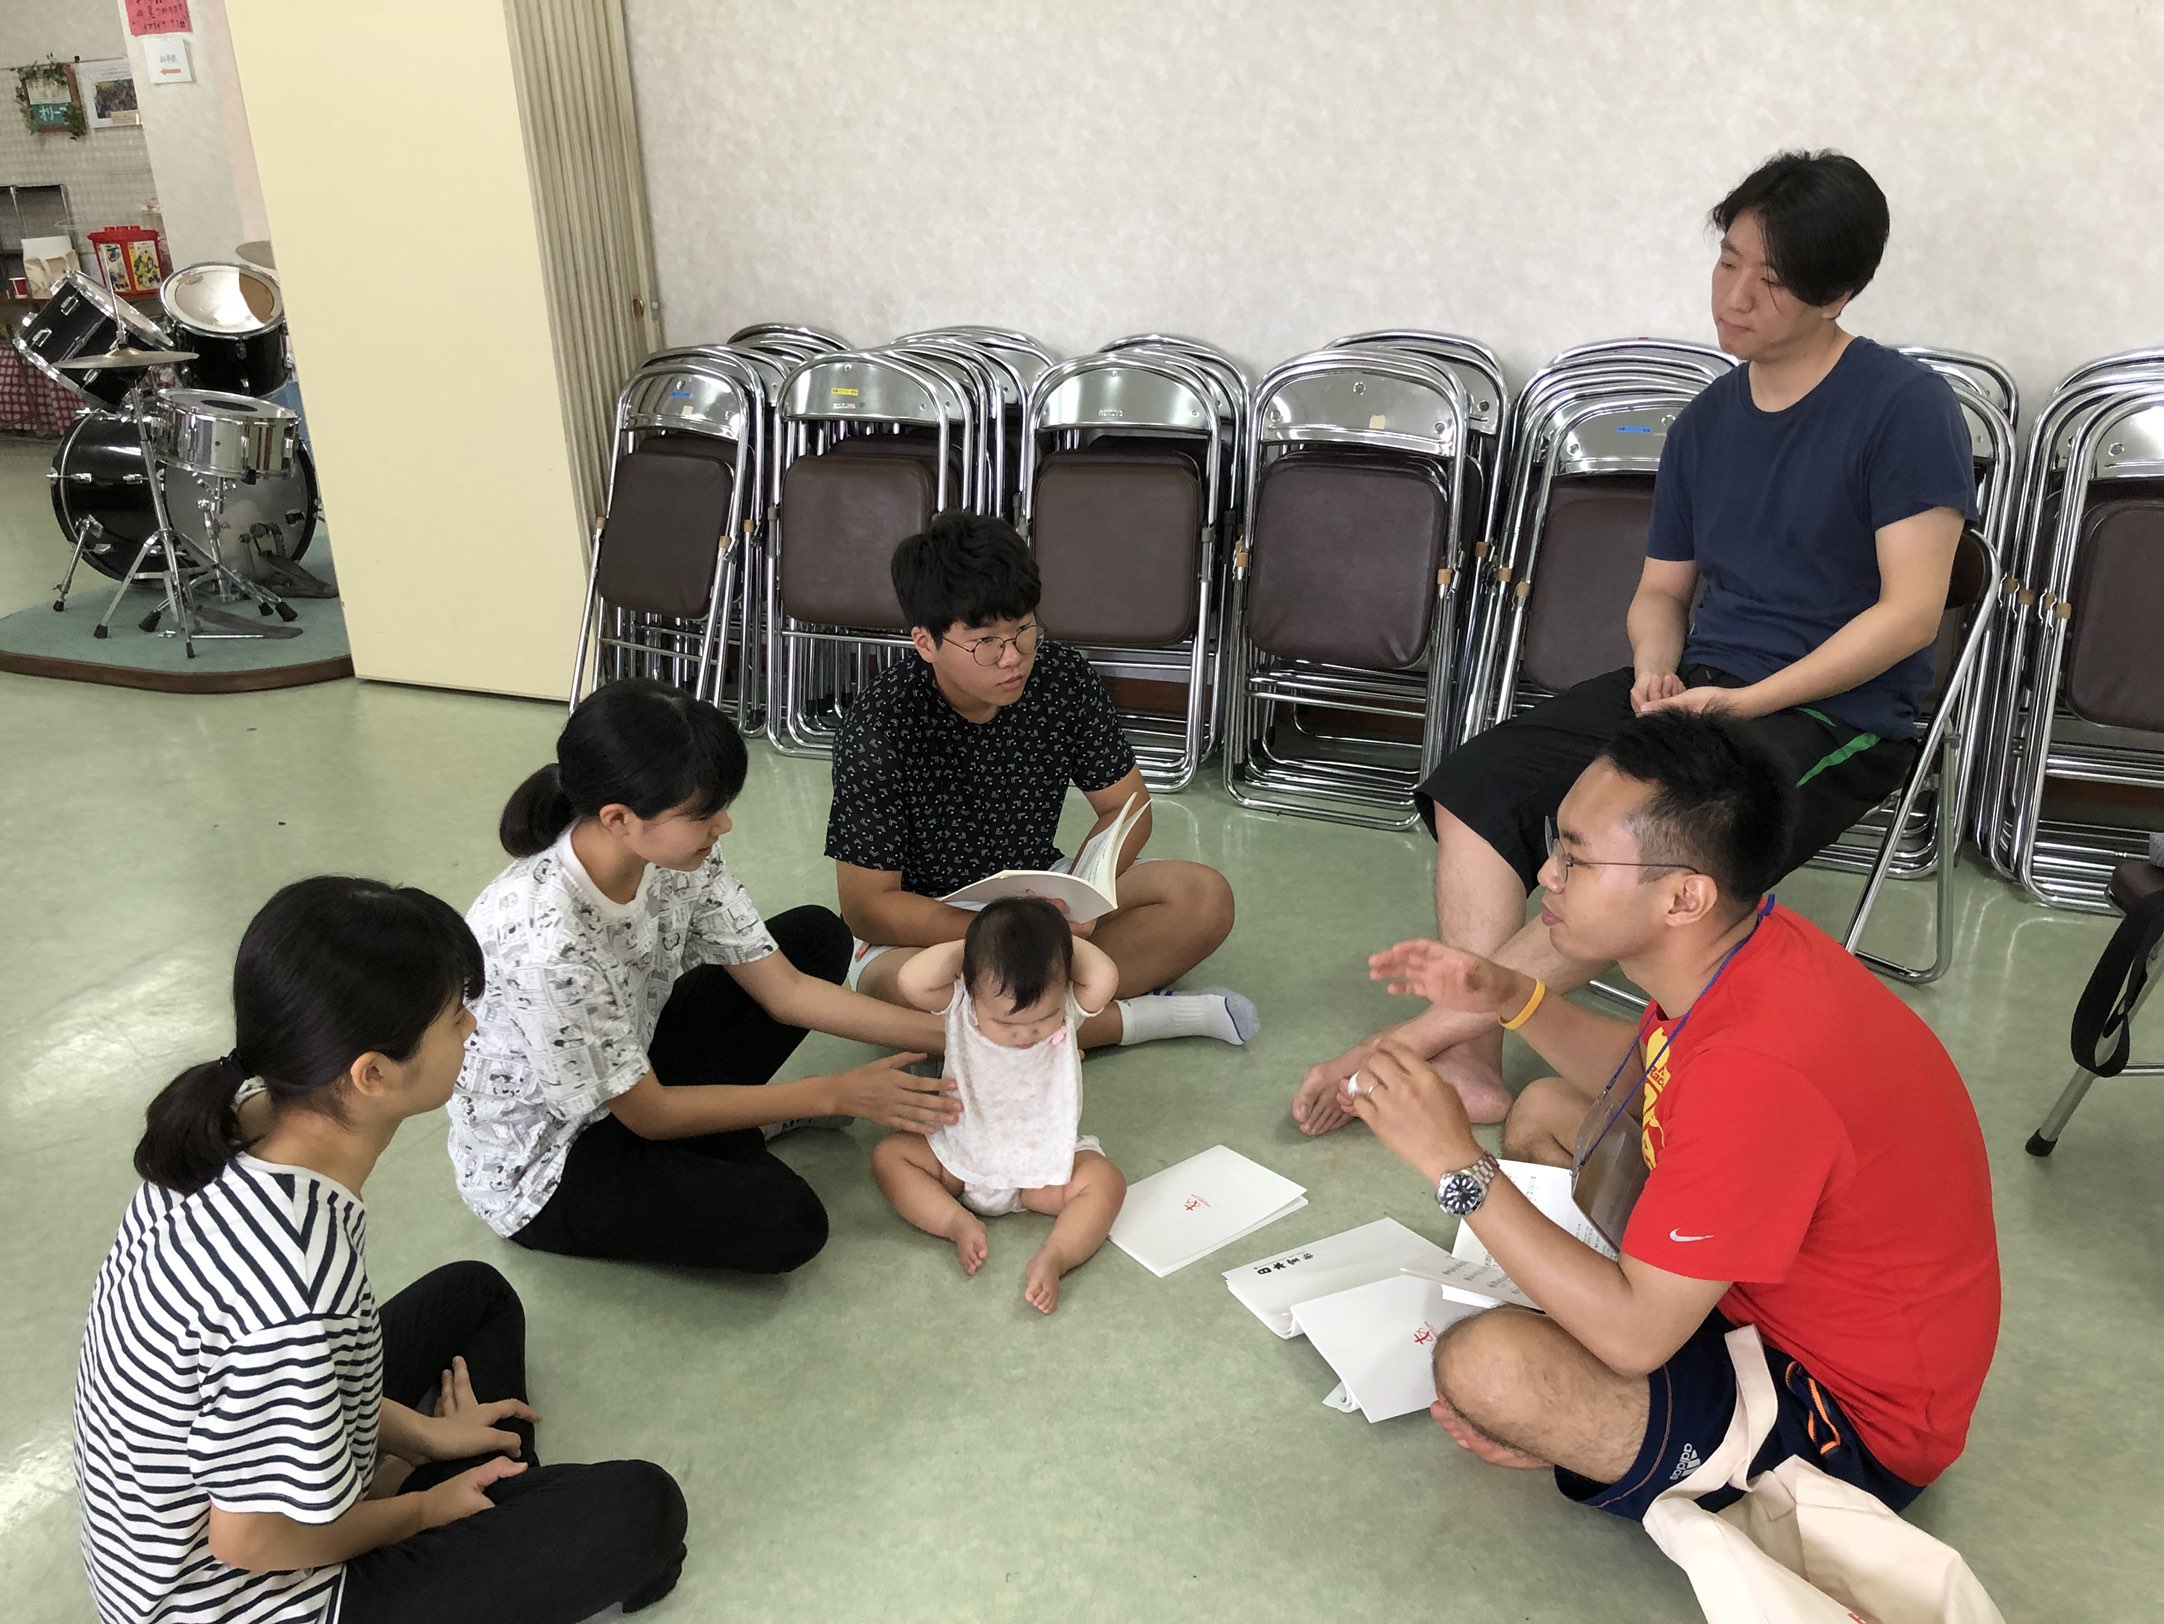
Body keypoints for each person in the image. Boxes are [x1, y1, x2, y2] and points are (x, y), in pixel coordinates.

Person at [1294, 148, 1976, 1130]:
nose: (1735, 296)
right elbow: (1661, 591)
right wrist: (1658, 666)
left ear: (1839, 293)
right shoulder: (1707, 421)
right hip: (1696, 686)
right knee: (1476, 784)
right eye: (1728, 261)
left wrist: (1744, 703)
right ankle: (1472, 1057)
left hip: (1837, 715)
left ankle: (1410, 1041)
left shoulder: (1903, 409)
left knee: (1635, 845)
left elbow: (1909, 615)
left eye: (1772, 280)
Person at [1342, 712, 1999, 1523]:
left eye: (1576, 858)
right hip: (1761, 1295)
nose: (1546, 875)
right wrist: (1511, 997)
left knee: (1491, 1367)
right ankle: (1623, 1379)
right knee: (1547, 1109)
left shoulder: (1758, 1072)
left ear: (1685, 896)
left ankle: (1645, 1425)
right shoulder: (1750, 944)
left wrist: (1455, 1166)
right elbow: (1654, 1073)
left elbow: (1634, 1339)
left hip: (1844, 1423)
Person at [74, 876, 688, 1624]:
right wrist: (422, 1511)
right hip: (246, 1595)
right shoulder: (296, 1291)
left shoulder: (226, 1126)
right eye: (455, 1017)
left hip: (212, 1497)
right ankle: (460, 1504)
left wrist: (424, 1434)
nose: (472, 1026)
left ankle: (463, 1487)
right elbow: (249, 1542)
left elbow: (296, 1375)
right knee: (642, 1510)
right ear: (372, 1074)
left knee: (477, 1294)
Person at [448, 679, 960, 1275]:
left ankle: (724, 1136)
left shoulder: (677, 853)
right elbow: (649, 1114)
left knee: (817, 937)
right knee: (789, 1221)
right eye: (703, 813)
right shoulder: (547, 945)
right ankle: (737, 1131)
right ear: (619, 819)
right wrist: (833, 1091)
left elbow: (785, 990)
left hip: (632, 1065)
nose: (724, 825)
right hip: (555, 1158)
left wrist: (958, 1034)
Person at [826, 512, 1256, 1051]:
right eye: (985, 642)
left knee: (1202, 898)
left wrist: (1081, 894)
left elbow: (1127, 807)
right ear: (926, 642)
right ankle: (1134, 1018)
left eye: (1024, 630)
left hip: (1039, 890)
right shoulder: (880, 728)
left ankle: (1014, 1027)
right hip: (927, 927)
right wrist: (1009, 934)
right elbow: (868, 907)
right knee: (905, 993)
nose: (1012, 659)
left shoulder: (1062, 679)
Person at [871, 898, 1126, 1315]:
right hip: (960, 1157)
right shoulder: (961, 1006)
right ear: (971, 987)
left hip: (1041, 1170)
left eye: (1042, 1020)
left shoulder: (1066, 1006)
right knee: (890, 1156)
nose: (1025, 1034)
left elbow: (1104, 977)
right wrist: (976, 950)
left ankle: (1057, 1255)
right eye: (1005, 1023)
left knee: (1106, 1182)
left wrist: (1055, 943)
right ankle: (955, 1222)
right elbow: (911, 980)